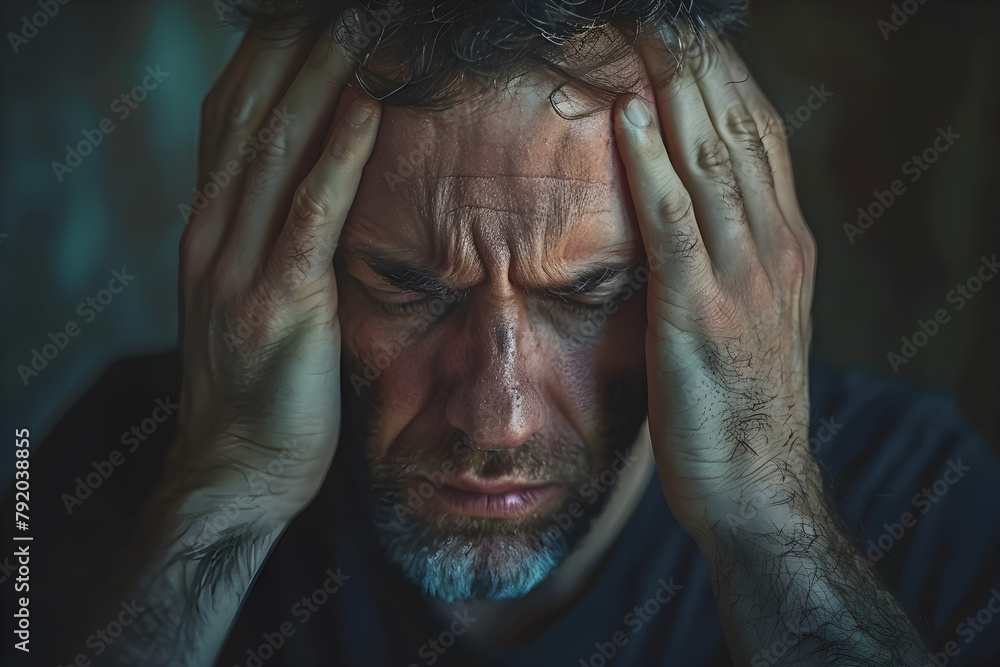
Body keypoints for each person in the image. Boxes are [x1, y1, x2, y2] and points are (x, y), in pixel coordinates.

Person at [4, 1, 998, 665]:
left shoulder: (919, 501)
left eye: (591, 294)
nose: (498, 412)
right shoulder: (102, 470)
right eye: (404, 286)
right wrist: (216, 502)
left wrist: (769, 517)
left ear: (732, 269)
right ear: (275, 252)